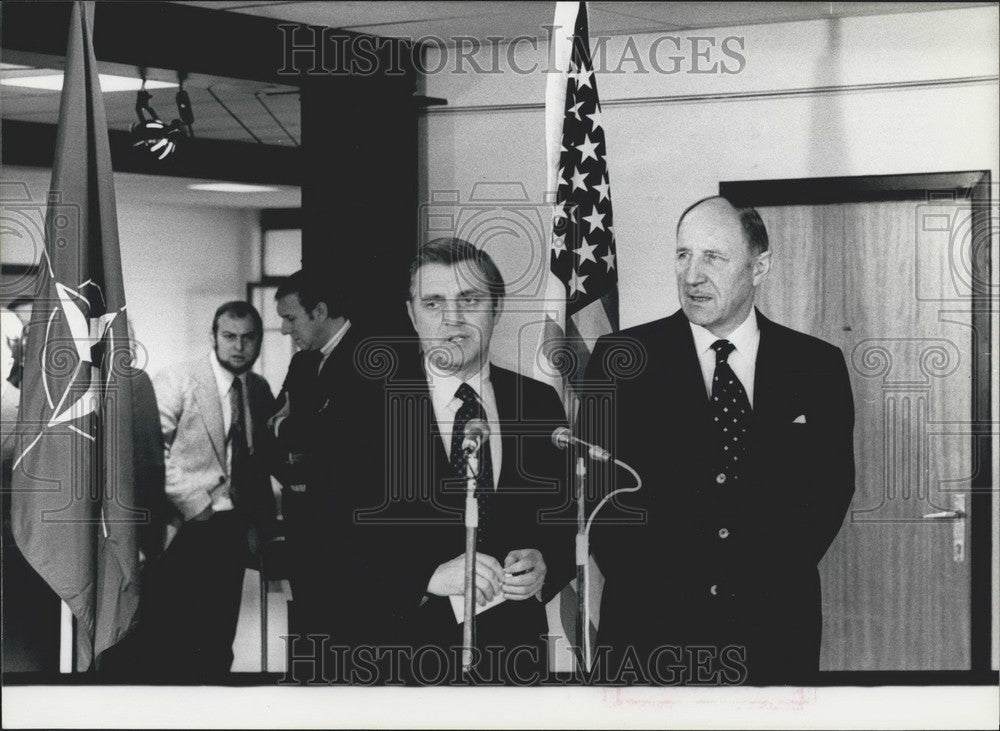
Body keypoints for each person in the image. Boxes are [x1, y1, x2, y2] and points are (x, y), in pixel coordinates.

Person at [583, 196, 855, 684]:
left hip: (771, 632)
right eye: (683, 255)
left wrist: (751, 587)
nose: (692, 275)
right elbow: (599, 497)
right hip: (651, 633)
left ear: (759, 267)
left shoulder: (816, 366)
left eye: (713, 257)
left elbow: (829, 492)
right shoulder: (620, 358)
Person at [341, 238, 573, 685]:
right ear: (412, 314)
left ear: (496, 308)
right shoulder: (363, 409)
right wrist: (423, 577)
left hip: (515, 657)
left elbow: (564, 520)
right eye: (433, 303)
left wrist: (545, 566)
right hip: (399, 655)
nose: (453, 319)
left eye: (469, 300)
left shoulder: (538, 402)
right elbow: (328, 537)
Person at [145, 301, 279, 678]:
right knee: (174, 639)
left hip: (232, 529)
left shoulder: (258, 388)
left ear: (259, 341)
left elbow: (259, 461)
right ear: (213, 337)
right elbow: (153, 452)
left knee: (218, 640)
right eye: (230, 336)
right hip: (184, 524)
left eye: (248, 338)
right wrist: (195, 504)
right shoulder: (177, 380)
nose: (239, 346)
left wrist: (258, 523)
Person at [270, 270, 359, 642]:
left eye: (291, 318)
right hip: (305, 530)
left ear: (319, 311)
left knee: (347, 640)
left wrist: (290, 427)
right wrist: (295, 429)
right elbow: (272, 434)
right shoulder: (302, 363)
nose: (284, 330)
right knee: (312, 637)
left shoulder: (369, 357)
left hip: (350, 536)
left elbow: (339, 441)